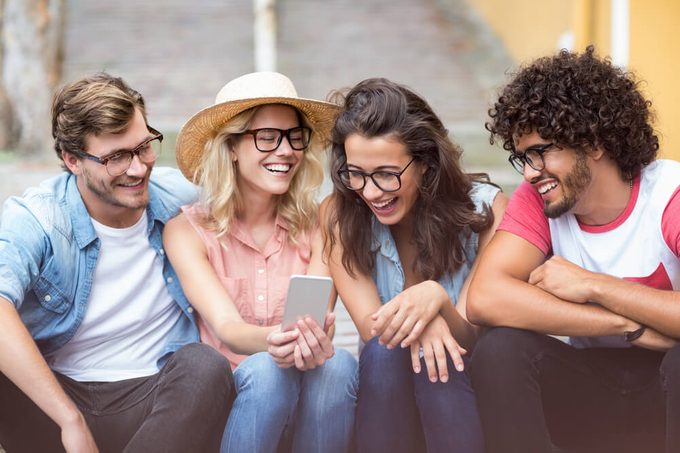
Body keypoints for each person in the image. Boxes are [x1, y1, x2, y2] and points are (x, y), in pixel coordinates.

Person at [0, 73, 234, 453]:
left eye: (143, 147)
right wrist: (68, 419)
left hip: (156, 401)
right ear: (72, 160)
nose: (138, 168)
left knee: (205, 365)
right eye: (115, 158)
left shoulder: (180, 198)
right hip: (57, 404)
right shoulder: (38, 219)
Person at [467, 46, 680, 453]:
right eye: (522, 157)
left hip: (669, 390)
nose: (530, 173)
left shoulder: (668, 196)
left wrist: (595, 286)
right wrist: (624, 325)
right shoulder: (541, 199)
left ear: (593, 143)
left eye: (541, 152)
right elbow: (485, 296)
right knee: (500, 350)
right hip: (593, 389)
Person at [164, 71, 357, 453]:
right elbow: (227, 328)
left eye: (294, 137)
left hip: (308, 391)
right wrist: (277, 343)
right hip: (236, 403)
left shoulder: (318, 226)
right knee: (268, 370)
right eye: (267, 137)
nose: (285, 151)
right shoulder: (186, 231)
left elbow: (318, 323)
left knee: (339, 366)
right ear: (232, 147)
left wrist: (316, 340)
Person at [323, 78, 506, 453]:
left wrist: (435, 298)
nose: (370, 191)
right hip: (388, 401)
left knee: (437, 358)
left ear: (425, 163)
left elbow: (472, 335)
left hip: (468, 397)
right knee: (388, 346)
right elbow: (375, 332)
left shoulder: (486, 210)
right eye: (355, 173)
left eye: (387, 174)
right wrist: (422, 317)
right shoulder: (341, 216)